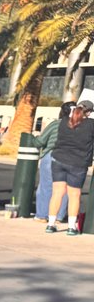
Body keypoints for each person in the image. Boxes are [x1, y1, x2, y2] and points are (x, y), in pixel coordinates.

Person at [44, 98, 94, 235]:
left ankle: (50, 224)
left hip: (59, 160)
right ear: (88, 112)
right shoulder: (91, 124)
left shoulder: (64, 121)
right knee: (74, 195)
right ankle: (71, 227)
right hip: (78, 163)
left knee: (57, 193)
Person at [34, 105, 66, 222]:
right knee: (63, 188)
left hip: (52, 154)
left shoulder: (56, 124)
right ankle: (58, 216)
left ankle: (42, 215)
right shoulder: (78, 125)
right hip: (69, 157)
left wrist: (35, 140)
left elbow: (41, 141)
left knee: (45, 186)